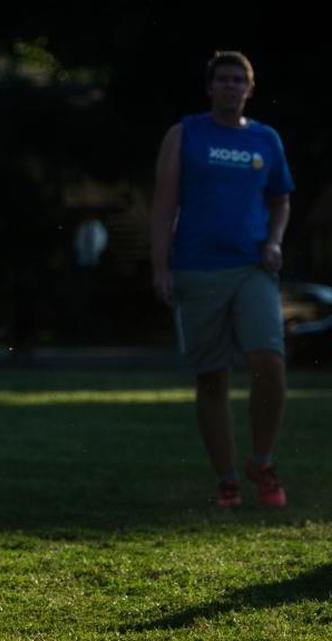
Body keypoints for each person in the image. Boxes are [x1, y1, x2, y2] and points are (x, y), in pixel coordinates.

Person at [150, 51, 295, 509]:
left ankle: (263, 461)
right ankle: (228, 480)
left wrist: (274, 241)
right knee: (212, 378)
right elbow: (163, 205)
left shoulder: (266, 140)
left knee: (269, 363)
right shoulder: (184, 134)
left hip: (252, 267)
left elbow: (281, 201)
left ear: (250, 90)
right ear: (210, 87)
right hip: (197, 267)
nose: (231, 87)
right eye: (224, 80)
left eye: (240, 81)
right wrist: (160, 266)